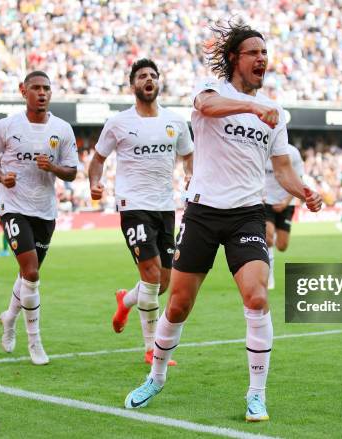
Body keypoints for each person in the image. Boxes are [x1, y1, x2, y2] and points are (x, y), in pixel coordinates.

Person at [124, 20, 323, 422]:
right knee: (178, 304)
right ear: (235, 58)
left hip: (248, 215)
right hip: (202, 211)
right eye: (254, 53)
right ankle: (157, 377)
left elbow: (282, 169)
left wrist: (304, 191)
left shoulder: (275, 114)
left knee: (257, 297)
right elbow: (206, 108)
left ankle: (256, 394)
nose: (262, 59)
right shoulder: (213, 90)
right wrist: (252, 106)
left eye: (265, 54)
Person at [89, 58, 193, 365]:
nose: (148, 79)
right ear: (133, 84)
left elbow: (188, 156)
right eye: (142, 76)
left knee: (162, 283)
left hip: (165, 207)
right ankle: (152, 349)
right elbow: (97, 159)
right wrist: (95, 183)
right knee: (149, 275)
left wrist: (190, 175)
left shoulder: (175, 122)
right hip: (133, 205)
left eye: (153, 75)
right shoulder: (119, 122)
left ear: (159, 83)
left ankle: (126, 300)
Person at [0, 71, 79, 365]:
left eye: (46, 88)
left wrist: (52, 168)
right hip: (13, 206)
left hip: (45, 210)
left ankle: (9, 318)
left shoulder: (62, 129)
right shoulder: (6, 126)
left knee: (28, 274)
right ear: (23, 91)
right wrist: (1, 176)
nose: (41, 93)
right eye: (35, 88)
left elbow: (72, 172)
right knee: (32, 273)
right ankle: (35, 343)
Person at [264, 143, 304, 289]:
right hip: (265, 200)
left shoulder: (293, 152)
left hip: (287, 201)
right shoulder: (262, 147)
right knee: (268, 238)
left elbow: (299, 179)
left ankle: (268, 246)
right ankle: (269, 277)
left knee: (282, 246)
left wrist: (286, 202)